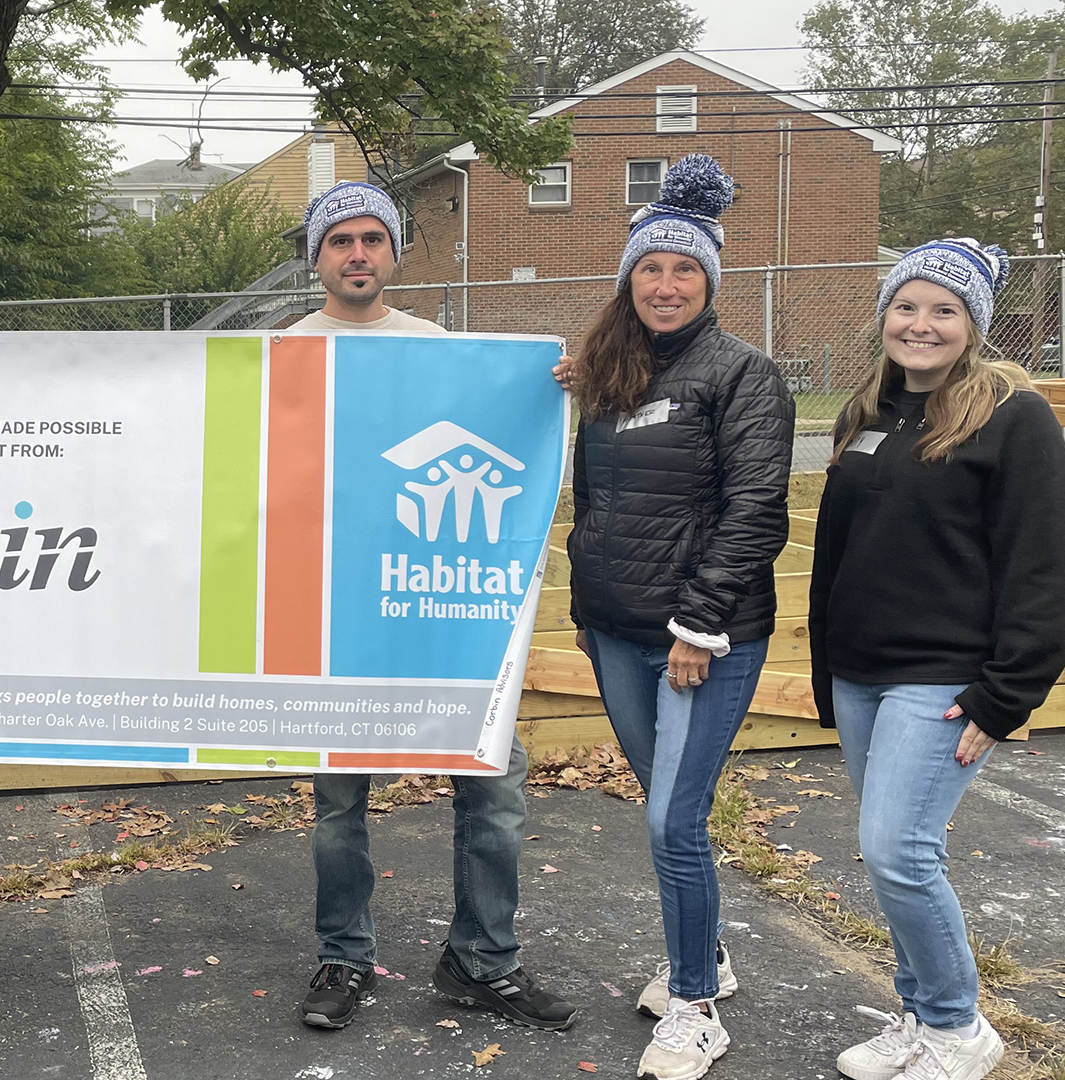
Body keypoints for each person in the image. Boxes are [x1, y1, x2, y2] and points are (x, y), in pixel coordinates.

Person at [289, 181, 577, 1033]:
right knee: (339, 801)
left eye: (373, 239)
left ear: (394, 252)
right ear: (318, 258)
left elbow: (496, 426)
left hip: (436, 609)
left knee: (492, 782)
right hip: (338, 614)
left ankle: (483, 961)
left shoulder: (438, 347)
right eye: (340, 241)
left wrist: (546, 387)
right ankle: (343, 955)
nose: (357, 254)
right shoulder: (283, 351)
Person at [811, 239, 1065, 1080]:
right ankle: (919, 1015)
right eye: (907, 306)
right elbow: (834, 552)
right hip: (860, 674)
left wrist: (1008, 694)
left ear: (974, 326)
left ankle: (959, 1026)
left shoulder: (1013, 415)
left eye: (944, 310)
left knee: (899, 850)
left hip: (945, 678)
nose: (921, 324)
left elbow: (1040, 561)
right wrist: (827, 669)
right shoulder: (871, 410)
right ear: (885, 313)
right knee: (892, 852)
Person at [562, 154, 795, 1080]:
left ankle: (696, 1004)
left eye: (685, 270)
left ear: (710, 282)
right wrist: (586, 608)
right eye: (651, 269)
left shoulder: (744, 374)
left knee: (672, 822)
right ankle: (714, 956)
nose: (666, 284)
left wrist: (697, 629)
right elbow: (598, 500)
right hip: (614, 631)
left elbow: (755, 511)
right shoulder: (609, 373)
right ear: (629, 280)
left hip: (702, 640)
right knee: (669, 812)